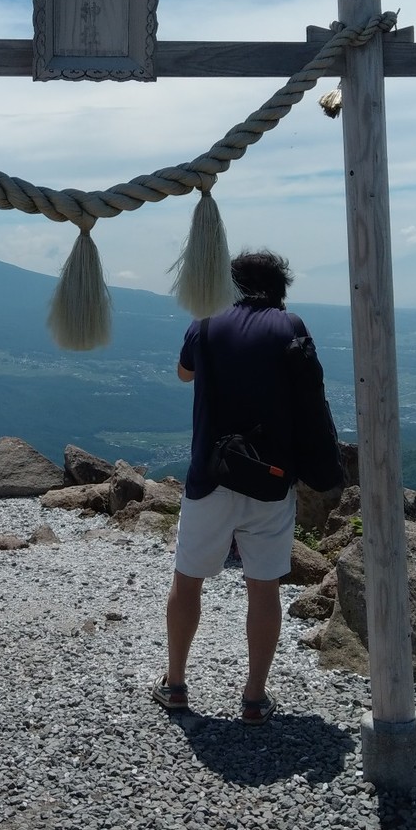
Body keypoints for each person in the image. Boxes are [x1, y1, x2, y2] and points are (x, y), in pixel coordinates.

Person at [153, 249, 335, 726]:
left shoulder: (207, 323)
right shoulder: (290, 325)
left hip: (211, 474)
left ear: (231, 284)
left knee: (187, 578)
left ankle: (175, 685)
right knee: (263, 587)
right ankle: (254, 696)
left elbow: (184, 372)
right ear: (281, 285)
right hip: (271, 478)